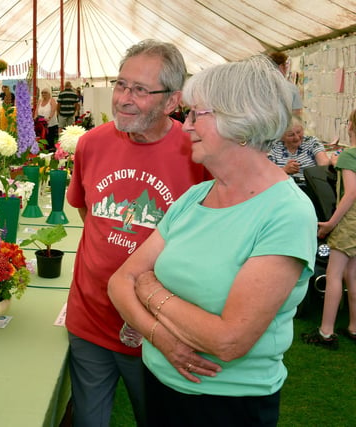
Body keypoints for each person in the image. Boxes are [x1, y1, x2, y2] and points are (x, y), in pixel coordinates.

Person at [107, 55, 317, 426]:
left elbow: (228, 341)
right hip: (161, 382)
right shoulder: (195, 196)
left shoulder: (286, 213)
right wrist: (164, 340)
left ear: (240, 119)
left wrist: (151, 289)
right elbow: (119, 281)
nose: (184, 126)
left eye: (194, 115)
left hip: (227, 406)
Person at [65, 39, 212, 426]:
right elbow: (87, 209)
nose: (123, 99)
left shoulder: (197, 152)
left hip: (158, 328)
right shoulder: (91, 144)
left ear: (171, 101)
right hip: (89, 318)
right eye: (121, 84)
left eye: (140, 90)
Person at [302, 108, 356, 350]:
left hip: (348, 224)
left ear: (350, 127)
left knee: (333, 275)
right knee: (352, 275)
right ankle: (354, 326)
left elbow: (351, 194)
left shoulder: (349, 157)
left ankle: (326, 332)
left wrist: (331, 224)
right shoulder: (346, 158)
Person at [267, 116, 329, 186]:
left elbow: (323, 163)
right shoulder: (273, 147)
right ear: (281, 136)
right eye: (291, 135)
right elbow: (267, 175)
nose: (296, 137)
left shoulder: (311, 142)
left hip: (309, 187)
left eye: (299, 132)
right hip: (284, 187)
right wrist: (285, 170)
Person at [269, 51, 303, 117]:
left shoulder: (260, 86)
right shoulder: (292, 88)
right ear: (281, 67)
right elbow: (296, 113)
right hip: (286, 126)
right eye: (286, 66)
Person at [34, 87, 58, 152]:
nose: (43, 94)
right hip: (41, 124)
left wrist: (49, 118)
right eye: (42, 93)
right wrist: (35, 118)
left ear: (49, 93)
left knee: (50, 139)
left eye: (45, 93)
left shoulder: (52, 100)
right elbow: (36, 111)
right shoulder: (40, 101)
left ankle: (51, 152)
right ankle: (43, 151)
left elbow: (53, 110)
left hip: (50, 124)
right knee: (42, 138)